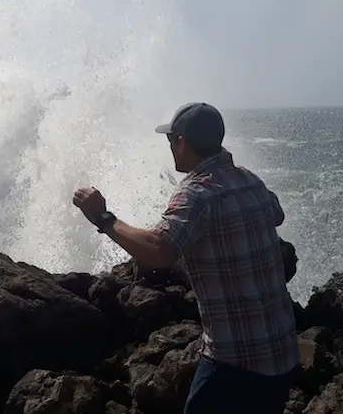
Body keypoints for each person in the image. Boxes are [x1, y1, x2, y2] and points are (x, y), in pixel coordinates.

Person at [72, 102, 301, 414]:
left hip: (237, 360)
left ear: (182, 141)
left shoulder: (195, 192)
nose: (170, 147)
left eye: (170, 141)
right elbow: (277, 215)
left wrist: (103, 218)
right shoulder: (250, 179)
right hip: (283, 352)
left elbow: (158, 250)